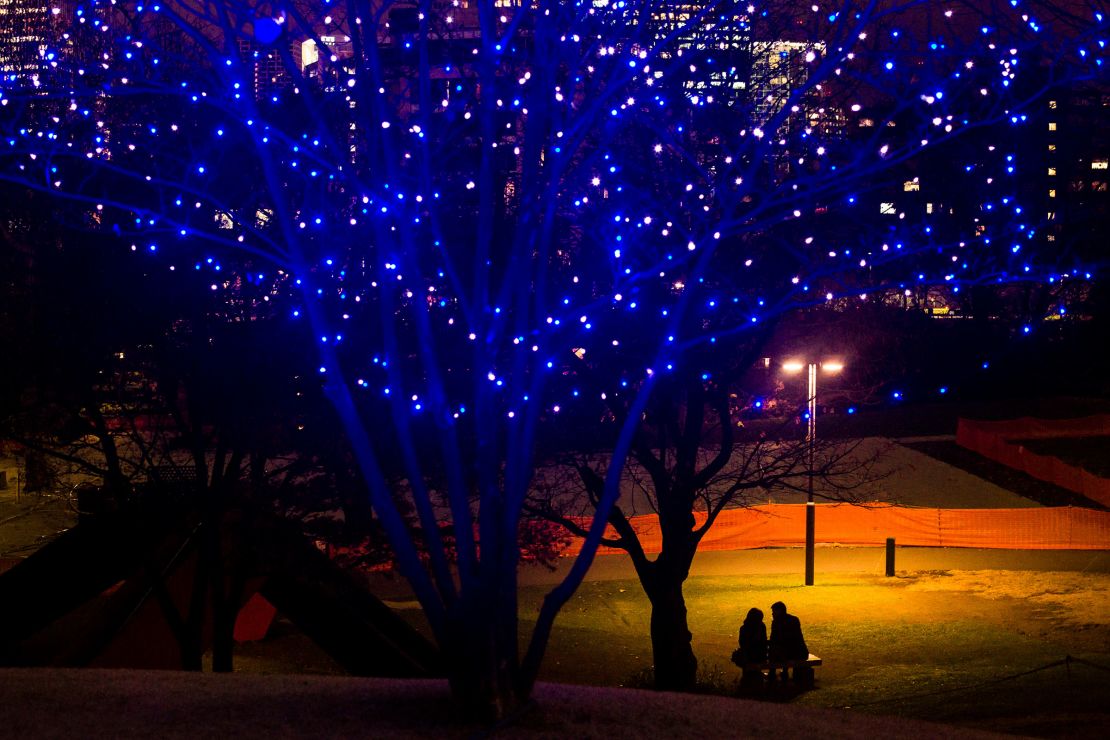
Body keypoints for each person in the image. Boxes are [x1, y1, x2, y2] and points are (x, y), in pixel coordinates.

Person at [768, 601, 809, 684]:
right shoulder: (794, 619)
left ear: (779, 611)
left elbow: (775, 640)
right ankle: (784, 671)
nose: (772, 614)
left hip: (788, 654)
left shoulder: (776, 623)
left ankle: (772, 673)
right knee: (782, 649)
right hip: (801, 653)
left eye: (774, 612)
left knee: (774, 651)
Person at [736, 608, 768, 686]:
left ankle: (748, 680)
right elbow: (764, 641)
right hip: (760, 655)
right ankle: (754, 678)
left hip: (750, 656)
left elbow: (742, 643)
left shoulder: (744, 628)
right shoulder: (761, 626)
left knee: (744, 655)